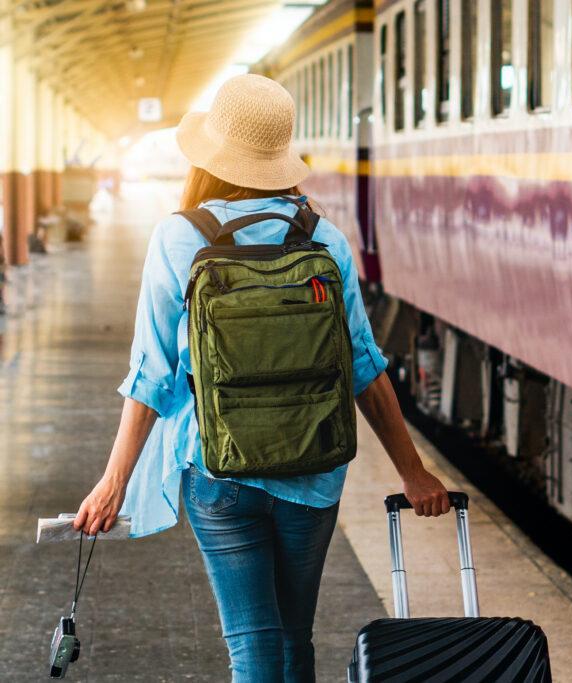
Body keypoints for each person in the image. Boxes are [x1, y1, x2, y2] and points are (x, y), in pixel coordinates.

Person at [72, 74, 451, 682]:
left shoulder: (180, 237)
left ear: (209, 156)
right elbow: (363, 366)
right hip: (314, 469)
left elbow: (151, 374)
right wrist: (413, 471)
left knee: (252, 648)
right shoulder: (323, 237)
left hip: (218, 470)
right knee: (294, 640)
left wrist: (113, 482)